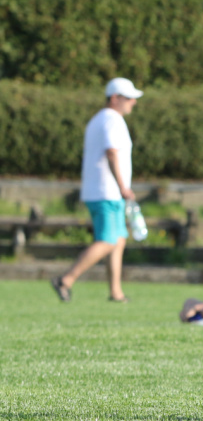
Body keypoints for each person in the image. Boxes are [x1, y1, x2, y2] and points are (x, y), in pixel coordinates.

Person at [51, 77, 143, 303]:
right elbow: (112, 152)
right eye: (129, 98)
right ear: (115, 98)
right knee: (108, 240)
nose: (133, 102)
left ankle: (116, 292)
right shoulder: (112, 120)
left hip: (101, 191)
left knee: (118, 240)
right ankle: (66, 280)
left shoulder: (99, 119)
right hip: (107, 191)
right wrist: (123, 186)